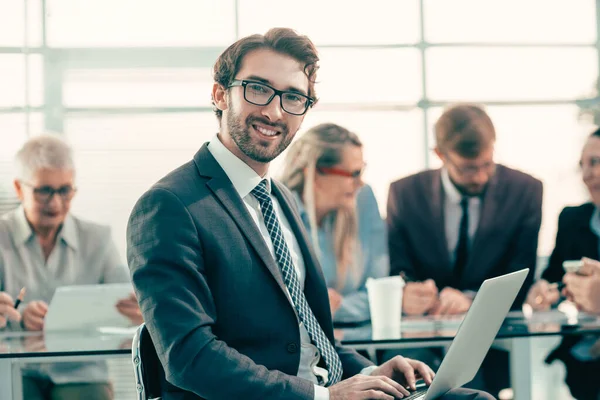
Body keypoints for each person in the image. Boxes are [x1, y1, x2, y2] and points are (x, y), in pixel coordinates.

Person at [126, 28, 494, 400]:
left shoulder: (280, 200)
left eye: (293, 98)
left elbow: (312, 337)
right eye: (257, 88)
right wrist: (325, 397)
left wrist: (369, 371)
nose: (274, 111)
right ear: (220, 94)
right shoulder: (170, 206)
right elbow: (190, 358)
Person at [386, 103, 543, 396]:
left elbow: (523, 271)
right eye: (469, 168)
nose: (481, 177)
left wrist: (472, 300)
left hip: (495, 340)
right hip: (422, 336)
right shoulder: (405, 193)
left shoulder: (525, 190)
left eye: (487, 164)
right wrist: (414, 293)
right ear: (440, 155)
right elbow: (399, 269)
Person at [0, 134, 143, 400]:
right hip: (16, 368)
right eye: (44, 191)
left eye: (64, 190)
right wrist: (16, 317)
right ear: (19, 189)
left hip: (81, 370)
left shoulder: (97, 239)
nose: (55, 203)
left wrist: (138, 310)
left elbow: (128, 300)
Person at [279, 123, 388, 323]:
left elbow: (379, 293)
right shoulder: (277, 212)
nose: (360, 183)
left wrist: (331, 308)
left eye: (361, 171)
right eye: (353, 174)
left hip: (359, 339)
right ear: (316, 173)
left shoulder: (363, 200)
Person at [527, 128, 600, 400]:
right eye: (583, 165)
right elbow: (553, 277)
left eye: (595, 162)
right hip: (582, 357)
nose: (586, 174)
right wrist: (544, 291)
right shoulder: (572, 220)